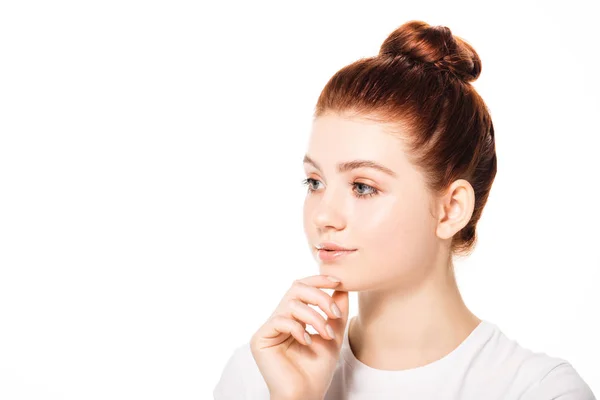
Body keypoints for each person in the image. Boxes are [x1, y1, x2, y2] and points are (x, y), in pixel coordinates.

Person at [213, 20, 596, 400]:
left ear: (450, 210)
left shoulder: (538, 390)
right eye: (315, 182)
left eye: (363, 187)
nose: (322, 216)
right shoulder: (261, 374)